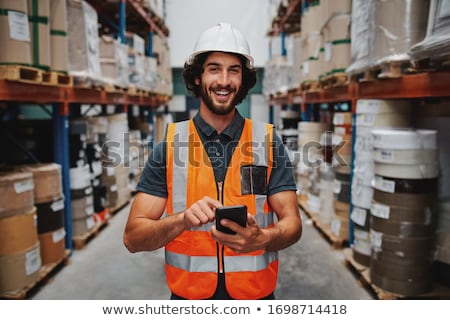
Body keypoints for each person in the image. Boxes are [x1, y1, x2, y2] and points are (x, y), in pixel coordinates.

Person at [123, 22, 302, 300]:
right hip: (189, 300)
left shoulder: (267, 142)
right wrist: (181, 220)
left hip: (254, 298)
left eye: (234, 70)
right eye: (214, 69)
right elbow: (133, 238)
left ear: (243, 81)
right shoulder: (170, 145)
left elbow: (293, 224)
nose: (224, 81)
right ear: (198, 77)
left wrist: (262, 239)